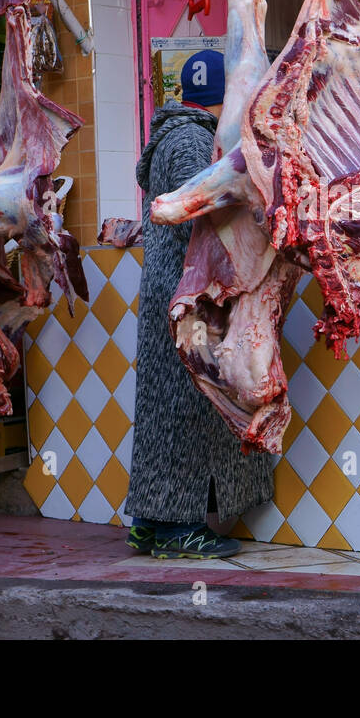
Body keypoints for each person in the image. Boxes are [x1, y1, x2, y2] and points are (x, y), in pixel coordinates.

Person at [124, 49, 274, 558]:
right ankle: (173, 528)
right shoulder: (191, 138)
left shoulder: (176, 131)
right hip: (183, 298)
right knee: (183, 411)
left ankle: (151, 522)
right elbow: (202, 200)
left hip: (180, 293)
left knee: (174, 408)